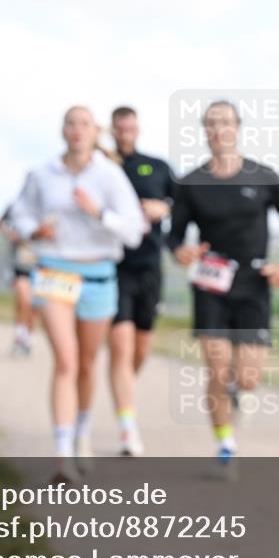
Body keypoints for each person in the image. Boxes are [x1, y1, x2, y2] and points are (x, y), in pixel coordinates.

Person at [8, 105, 145, 481]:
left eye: (84, 124)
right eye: (71, 123)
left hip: (99, 273)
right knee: (65, 361)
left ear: (94, 131)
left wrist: (98, 212)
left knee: (86, 364)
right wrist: (34, 230)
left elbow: (134, 231)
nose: (77, 130)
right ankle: (63, 453)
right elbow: (18, 215)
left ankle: (82, 429)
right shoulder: (42, 175)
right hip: (54, 270)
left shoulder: (110, 175)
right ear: (62, 130)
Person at [167, 100, 279, 472]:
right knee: (217, 364)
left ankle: (234, 394)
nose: (217, 129)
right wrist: (181, 251)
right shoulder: (192, 183)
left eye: (224, 122)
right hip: (210, 283)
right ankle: (225, 443)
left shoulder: (263, 176)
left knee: (247, 378)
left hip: (253, 283)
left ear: (238, 127)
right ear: (203, 130)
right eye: (210, 123)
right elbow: (173, 235)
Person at [108, 106, 176, 456]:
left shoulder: (158, 167)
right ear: (112, 130)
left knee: (140, 347)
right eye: (119, 128)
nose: (125, 134)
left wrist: (163, 208)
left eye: (130, 127)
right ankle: (127, 426)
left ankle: (124, 391)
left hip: (150, 265)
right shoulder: (104, 167)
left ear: (137, 128)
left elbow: (181, 204)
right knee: (120, 345)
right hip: (114, 265)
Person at [0, 204, 37, 355]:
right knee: (23, 300)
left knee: (32, 306)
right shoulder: (16, 206)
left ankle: (27, 336)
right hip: (19, 263)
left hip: (40, 263)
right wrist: (10, 234)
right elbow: (0, 224)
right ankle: (20, 336)